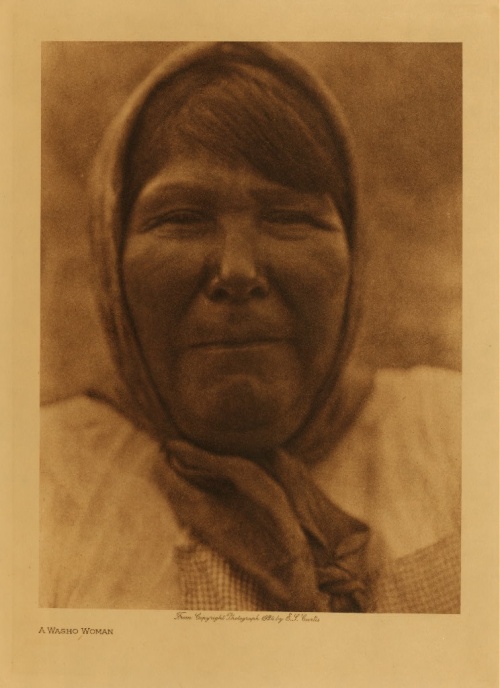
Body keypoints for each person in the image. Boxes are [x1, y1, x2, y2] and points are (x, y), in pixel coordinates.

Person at [40, 42, 460, 613]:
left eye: (289, 218)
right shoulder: (40, 479)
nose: (237, 272)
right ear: (110, 254)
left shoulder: (456, 439)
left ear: (354, 250)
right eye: (182, 218)